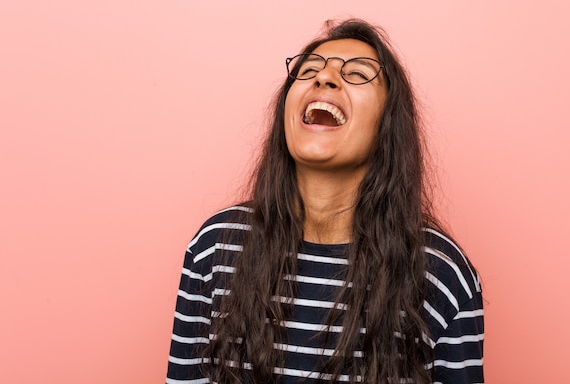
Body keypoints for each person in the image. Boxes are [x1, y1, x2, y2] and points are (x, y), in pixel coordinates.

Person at [166, 19, 484, 384]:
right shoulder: (216, 245)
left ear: (388, 122)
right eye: (310, 69)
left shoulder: (442, 273)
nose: (324, 78)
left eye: (358, 73)